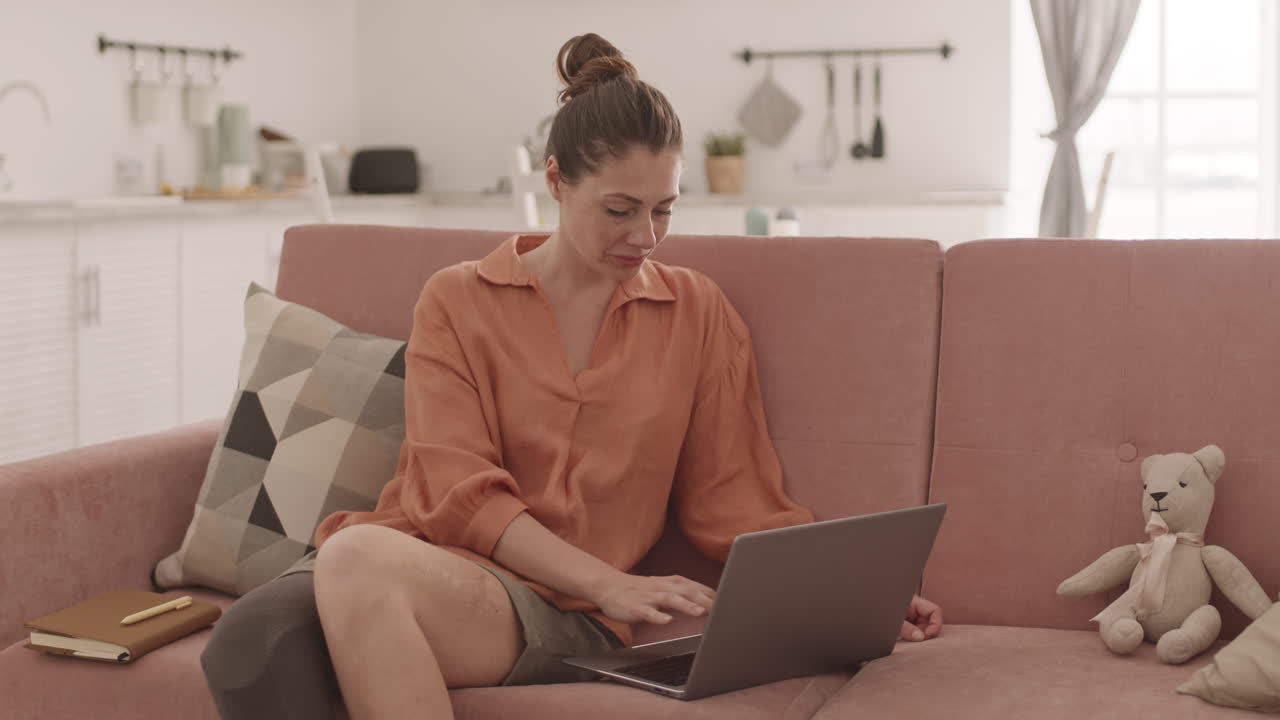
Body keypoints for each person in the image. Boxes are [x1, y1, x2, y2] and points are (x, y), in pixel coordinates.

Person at [201, 32, 942, 720]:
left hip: (548, 610)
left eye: (663, 210)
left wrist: (858, 596)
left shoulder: (697, 313)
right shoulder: (458, 298)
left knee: (348, 566)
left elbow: (735, 501)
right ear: (556, 180)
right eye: (619, 209)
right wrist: (609, 580)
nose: (644, 237)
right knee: (250, 646)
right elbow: (457, 493)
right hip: (422, 559)